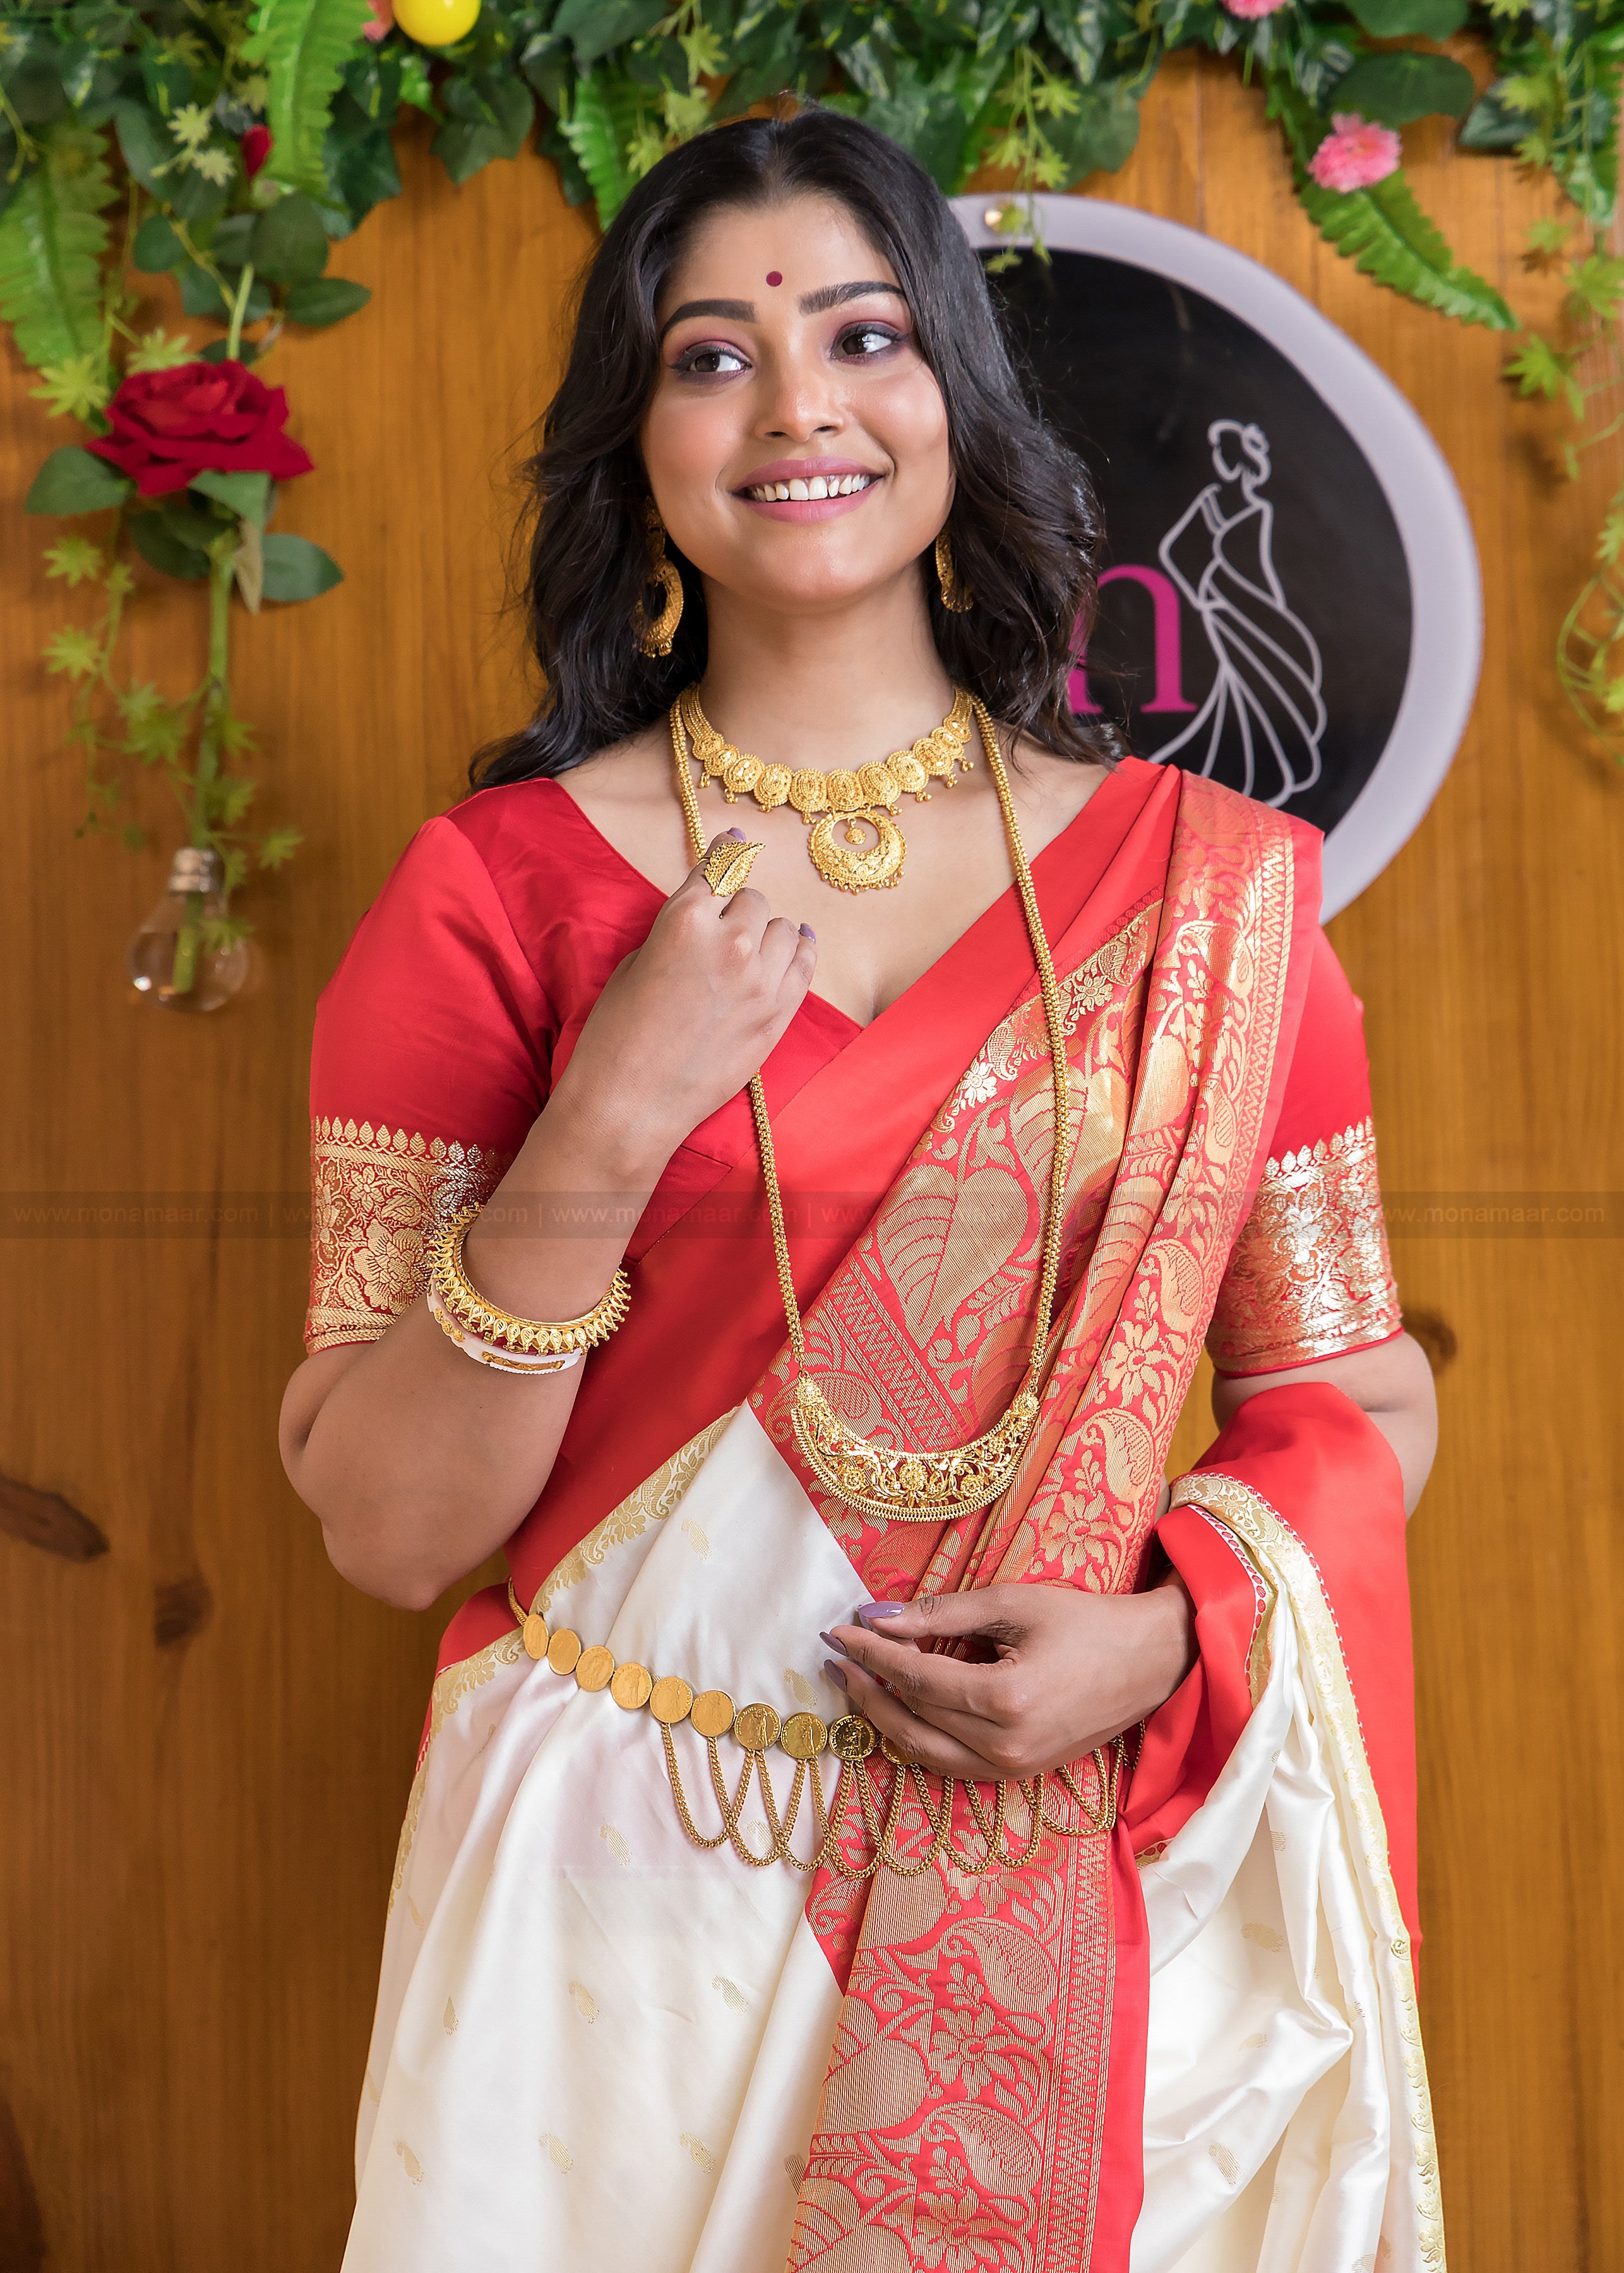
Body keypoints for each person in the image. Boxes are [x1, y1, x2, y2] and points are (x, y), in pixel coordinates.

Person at [279, 107, 1442, 2273]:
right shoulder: (498, 897)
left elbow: (1357, 1401)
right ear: (635, 447)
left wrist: (1171, 1633)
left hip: (1063, 1900)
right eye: (711, 353)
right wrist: (609, 1114)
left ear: (955, 406)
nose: (796, 400)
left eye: (862, 333)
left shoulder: (1211, 897)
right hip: (610, 1914)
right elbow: (389, 1520)